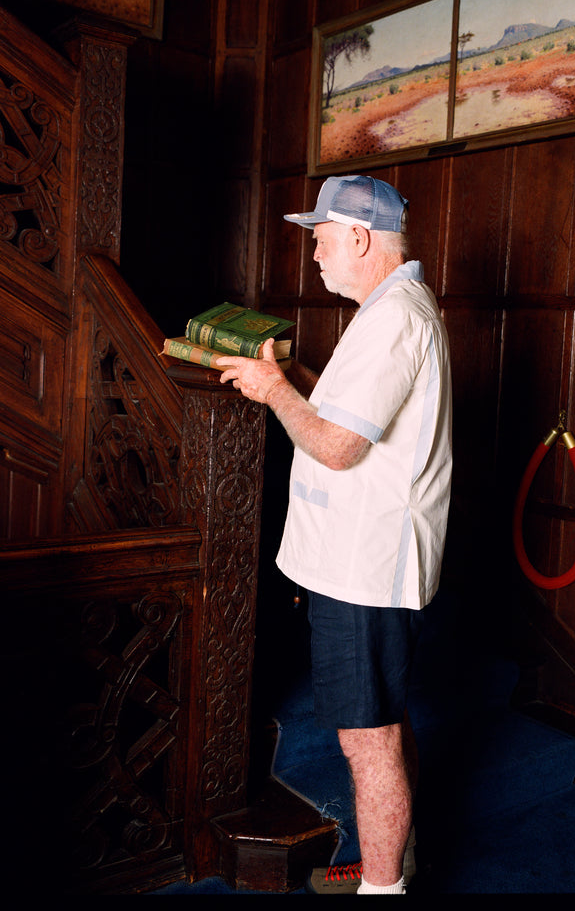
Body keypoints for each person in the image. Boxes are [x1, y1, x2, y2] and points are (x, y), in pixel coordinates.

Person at [215, 174, 452, 895]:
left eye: (319, 240)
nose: (314, 257)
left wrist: (275, 392)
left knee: (367, 738)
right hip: (355, 561)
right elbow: (350, 415)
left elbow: (340, 447)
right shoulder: (387, 308)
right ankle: (393, 859)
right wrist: (290, 376)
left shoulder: (390, 319)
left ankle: (382, 888)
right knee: (379, 722)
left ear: (357, 236)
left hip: (366, 567)